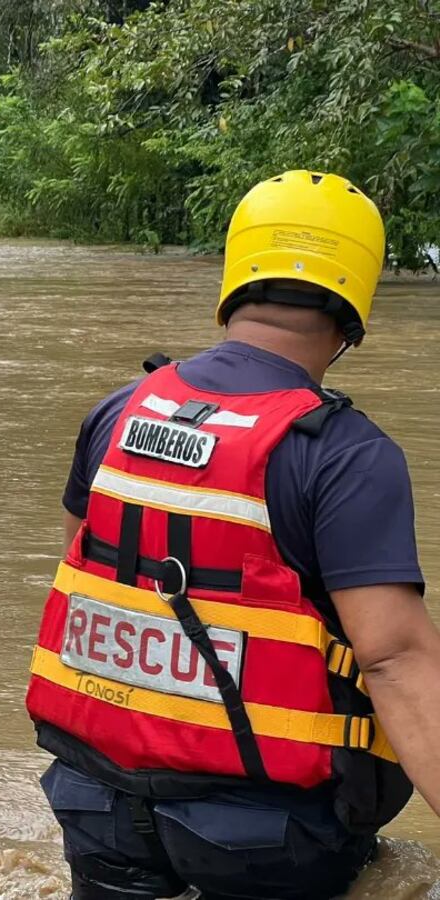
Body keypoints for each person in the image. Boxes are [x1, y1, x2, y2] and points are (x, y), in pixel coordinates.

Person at [25, 170, 440, 900]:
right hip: (268, 837)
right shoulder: (345, 453)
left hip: (95, 806)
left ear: (233, 284)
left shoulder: (118, 411)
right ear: (354, 309)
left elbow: (84, 562)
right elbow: (396, 664)